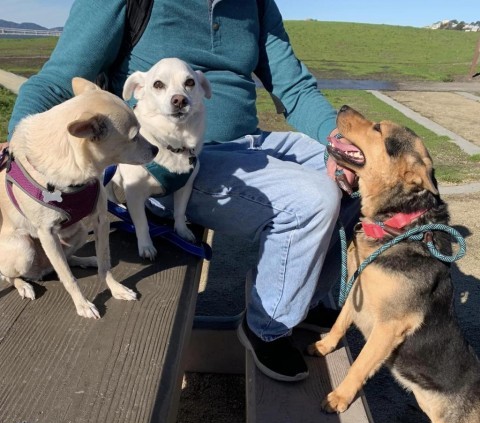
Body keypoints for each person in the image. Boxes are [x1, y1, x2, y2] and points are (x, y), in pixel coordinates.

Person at [5, 0, 360, 382]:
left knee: (361, 170)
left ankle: (305, 300)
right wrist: (15, 153)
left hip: (247, 145)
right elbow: (59, 79)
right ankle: (267, 327)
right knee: (313, 199)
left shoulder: (255, 4)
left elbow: (294, 87)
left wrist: (339, 140)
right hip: (167, 163)